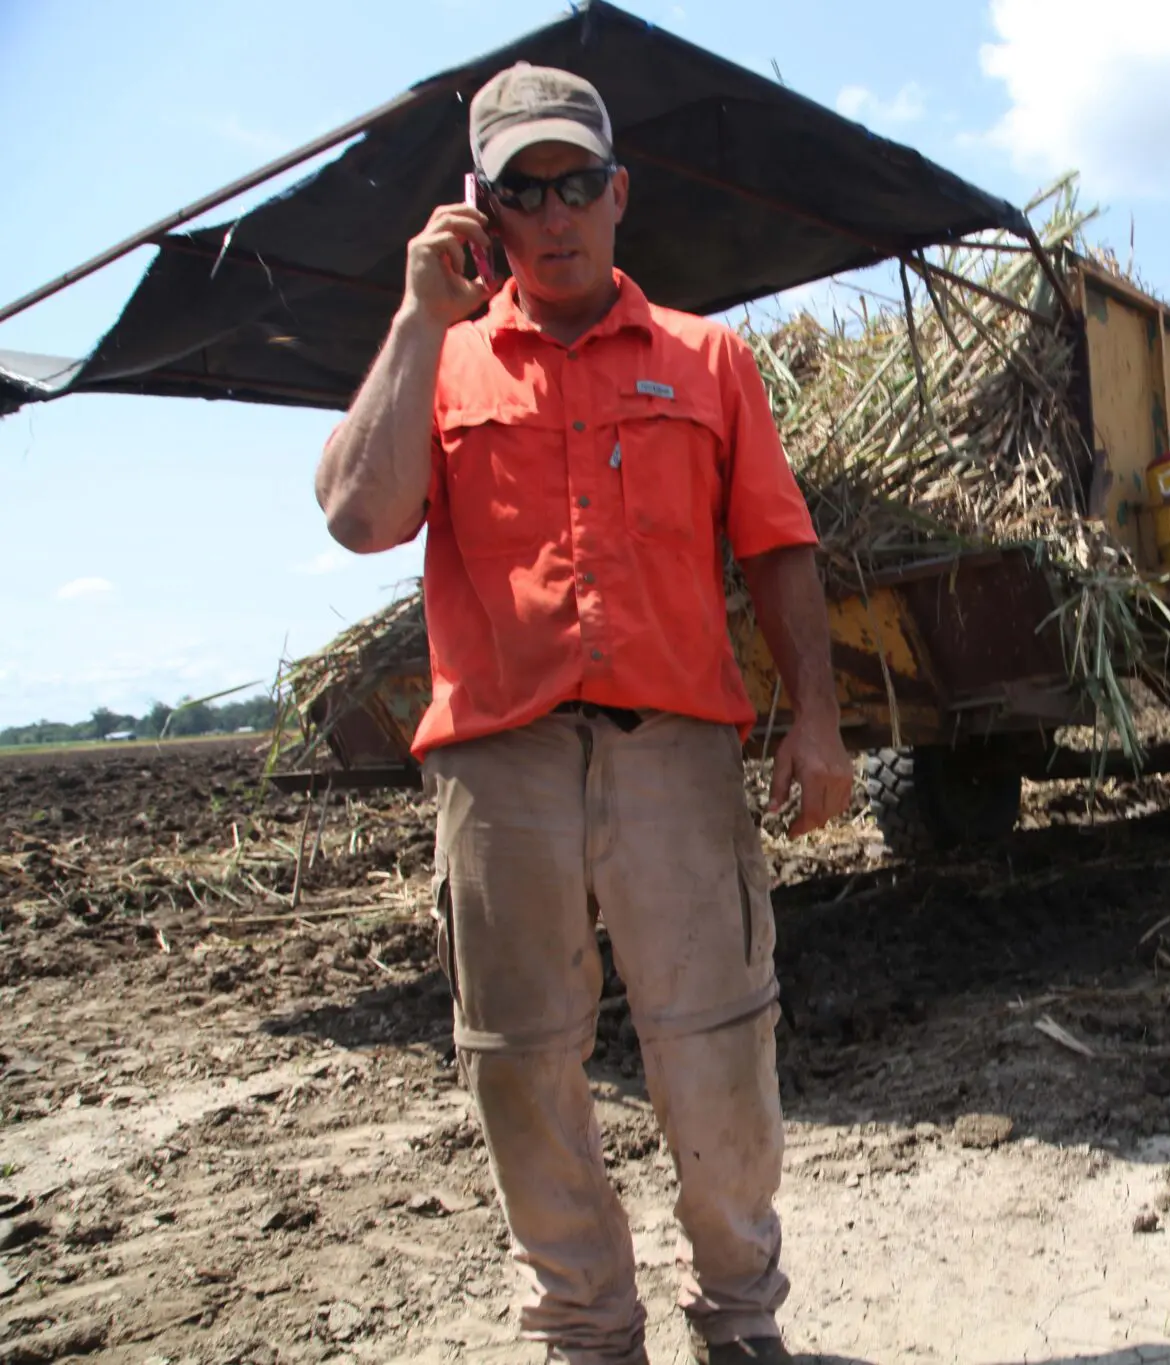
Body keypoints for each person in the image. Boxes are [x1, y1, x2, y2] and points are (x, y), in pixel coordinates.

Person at [314, 62, 853, 1365]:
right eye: (519, 189)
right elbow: (357, 516)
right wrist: (410, 320)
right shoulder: (436, 368)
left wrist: (817, 721)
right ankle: (586, 1336)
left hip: (674, 751)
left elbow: (777, 548)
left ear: (620, 194)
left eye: (574, 184)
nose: (551, 212)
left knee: (718, 1043)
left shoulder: (706, 359)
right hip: (499, 772)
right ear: (479, 211)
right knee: (522, 1063)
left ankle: (739, 1326)